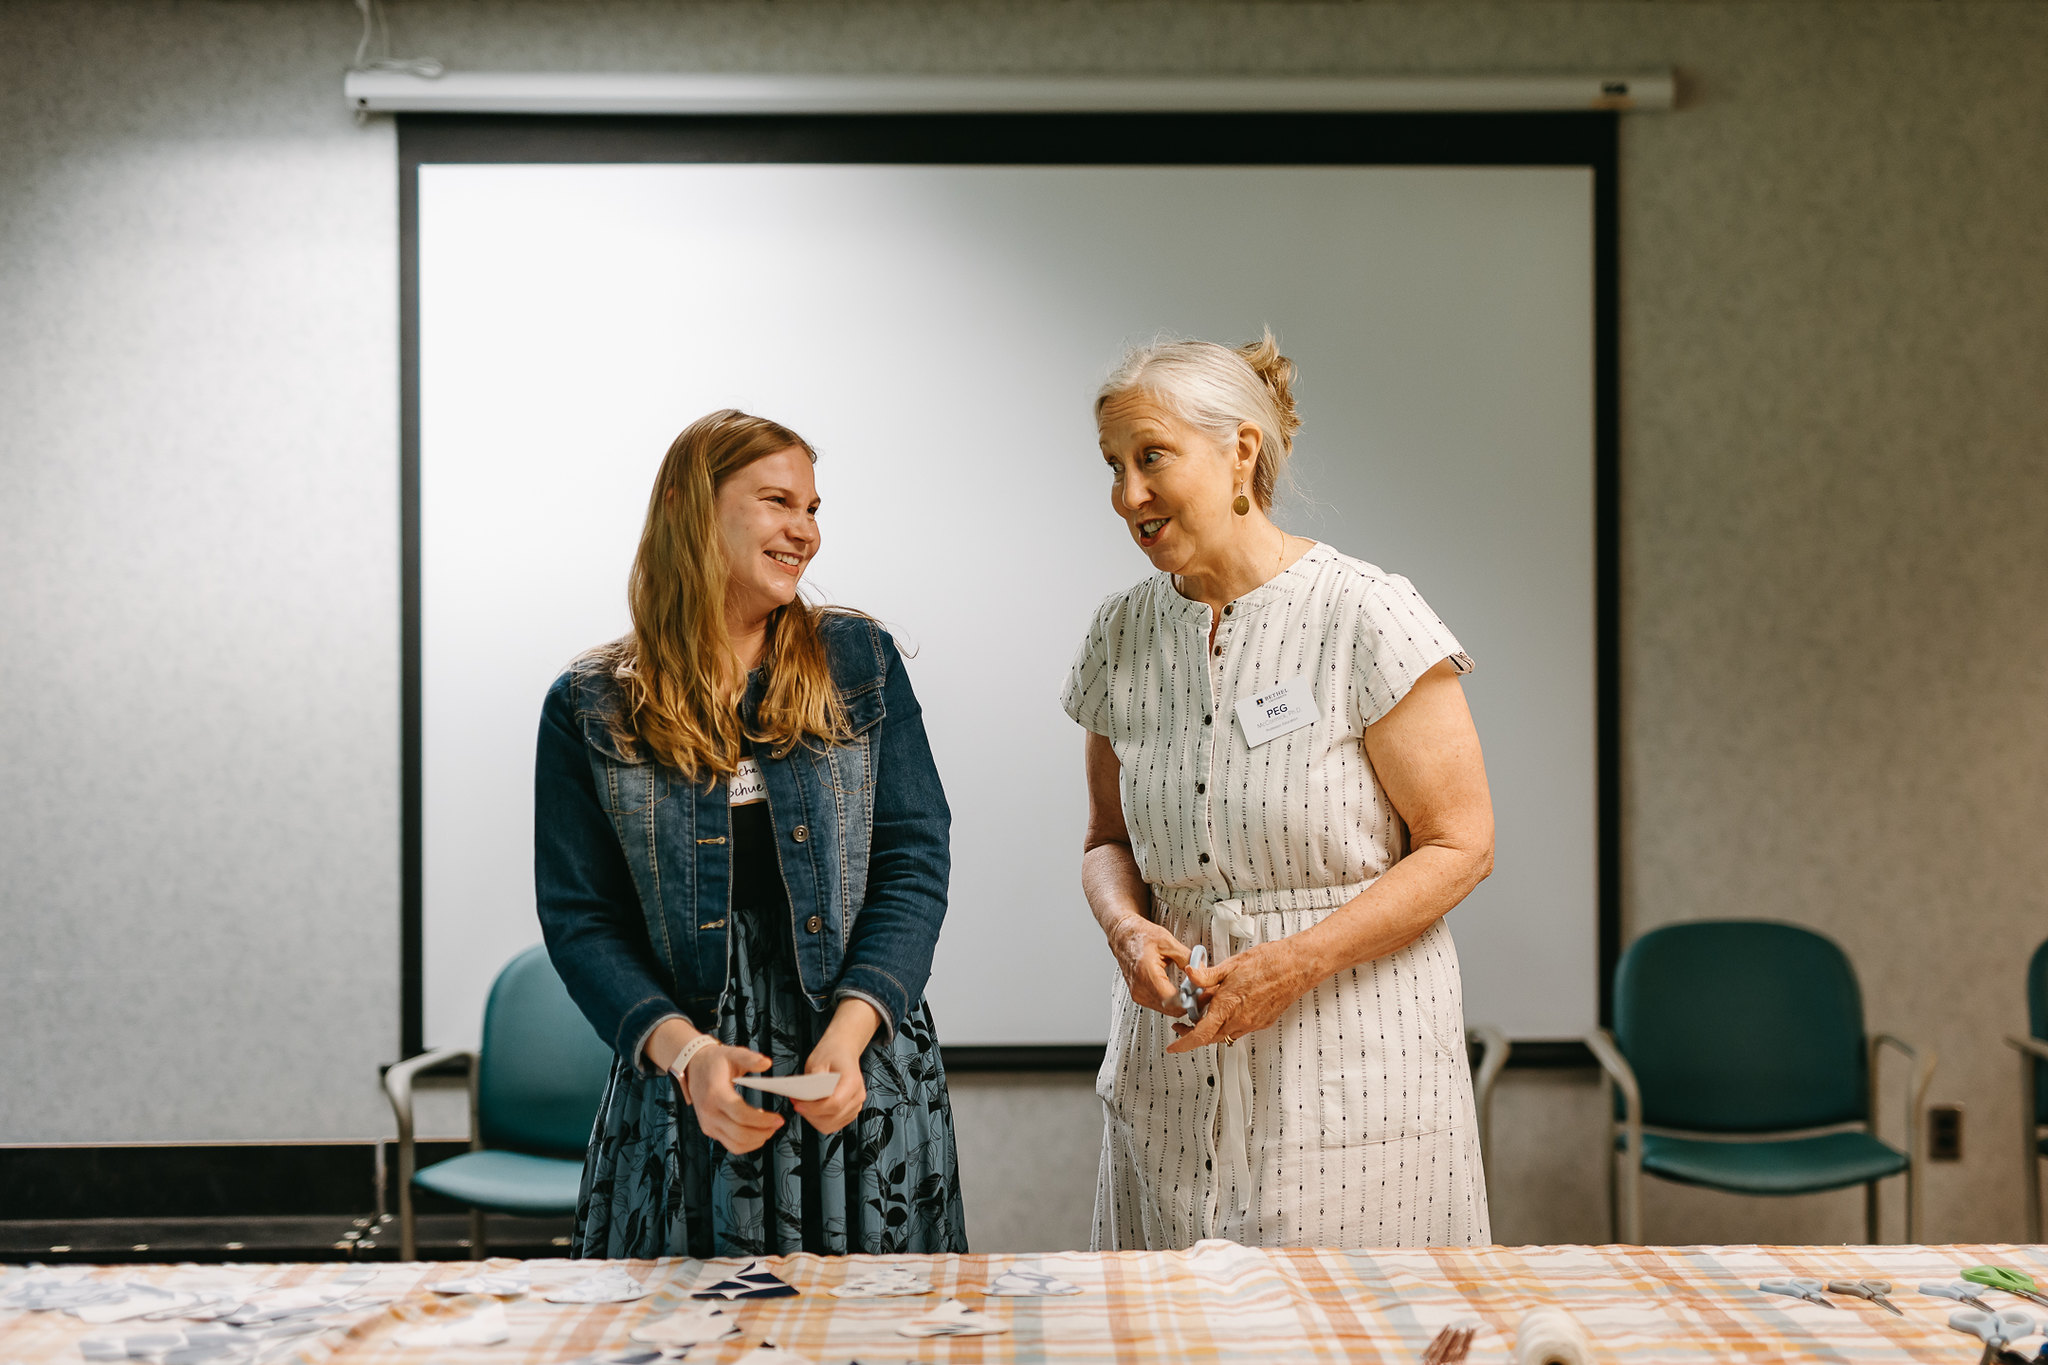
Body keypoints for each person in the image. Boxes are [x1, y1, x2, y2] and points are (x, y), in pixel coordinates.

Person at [1062, 333, 1496, 1250]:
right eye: (1113, 466)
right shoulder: (1120, 634)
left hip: (1354, 1068)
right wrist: (1126, 925)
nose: (1127, 495)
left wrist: (1295, 961)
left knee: (1360, 1338)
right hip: (1175, 1077)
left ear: (1241, 455)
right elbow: (1107, 840)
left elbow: (1463, 843)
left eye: (1151, 458)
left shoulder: (1363, 612)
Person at [535, 408, 967, 1257]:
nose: (804, 531)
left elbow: (914, 860)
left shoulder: (859, 658)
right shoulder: (589, 703)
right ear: (694, 509)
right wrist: (688, 1054)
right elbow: (582, 920)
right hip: (684, 1077)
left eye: (812, 508)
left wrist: (848, 1036)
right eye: (778, 501)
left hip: (855, 1056)